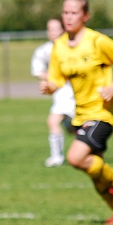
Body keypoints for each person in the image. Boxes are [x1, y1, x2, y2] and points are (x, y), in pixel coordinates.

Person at [40, 0, 113, 225]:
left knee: (75, 158)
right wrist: (49, 86)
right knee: (96, 175)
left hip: (103, 112)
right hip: (81, 114)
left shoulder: (97, 41)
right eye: (65, 12)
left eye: (74, 13)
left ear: (85, 16)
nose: (68, 17)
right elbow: (57, 79)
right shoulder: (59, 46)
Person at [30, 18, 76, 167]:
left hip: (74, 91)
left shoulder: (72, 47)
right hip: (59, 93)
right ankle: (86, 151)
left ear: (63, 29)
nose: (52, 32)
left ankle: (58, 157)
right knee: (69, 127)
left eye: (56, 28)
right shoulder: (44, 50)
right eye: (50, 29)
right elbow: (37, 70)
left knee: (54, 122)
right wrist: (50, 77)